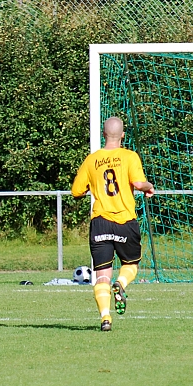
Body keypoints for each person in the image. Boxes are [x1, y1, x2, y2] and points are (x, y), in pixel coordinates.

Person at [71, 117, 155, 332]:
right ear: (123, 135)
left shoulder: (92, 159)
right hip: (125, 221)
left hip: (100, 222)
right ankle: (121, 284)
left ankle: (105, 317)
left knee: (101, 274)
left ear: (103, 133)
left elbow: (76, 191)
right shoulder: (129, 156)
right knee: (131, 265)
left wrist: (94, 186)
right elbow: (137, 183)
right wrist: (148, 186)